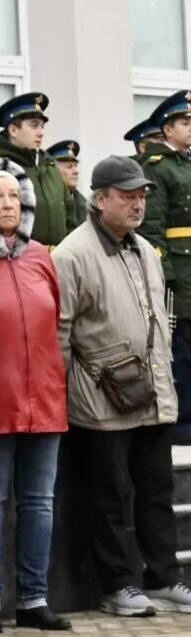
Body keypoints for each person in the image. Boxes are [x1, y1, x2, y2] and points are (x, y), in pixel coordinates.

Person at [52, 155, 191, 617]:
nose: (138, 204)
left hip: (150, 393)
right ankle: (117, 585)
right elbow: (61, 334)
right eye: (128, 195)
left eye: (142, 195)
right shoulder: (72, 254)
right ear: (101, 199)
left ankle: (164, 578)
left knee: (156, 492)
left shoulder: (144, 249)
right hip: (100, 398)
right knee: (109, 495)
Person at [0, 163, 71, 635]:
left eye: (14, 196)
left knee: (39, 502)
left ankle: (33, 599)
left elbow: (57, 320)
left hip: (44, 396)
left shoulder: (42, 256)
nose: (7, 204)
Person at [138, 91, 191, 446]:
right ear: (167, 128)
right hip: (177, 267)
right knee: (180, 347)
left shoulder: (186, 164)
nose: (190, 129)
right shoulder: (157, 165)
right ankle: (182, 419)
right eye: (185, 123)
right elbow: (153, 225)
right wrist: (165, 271)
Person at [0, 92, 69, 246]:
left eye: (42, 126)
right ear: (13, 130)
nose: (41, 132)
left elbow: (70, 215)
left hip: (58, 262)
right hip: (21, 263)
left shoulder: (49, 166)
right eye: (34, 125)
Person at [47, 139, 87, 230]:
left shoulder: (84, 203)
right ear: (53, 169)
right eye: (69, 167)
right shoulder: (46, 201)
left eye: (76, 165)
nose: (76, 171)